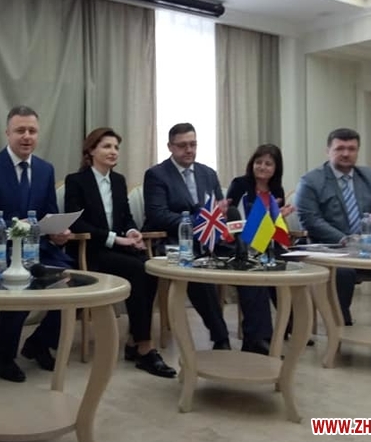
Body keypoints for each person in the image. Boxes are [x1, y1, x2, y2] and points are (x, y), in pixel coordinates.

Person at [0, 106, 73, 382]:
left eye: (32, 131)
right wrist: (14, 226)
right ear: (7, 133)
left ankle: (39, 343)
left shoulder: (45, 169)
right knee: (20, 281)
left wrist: (58, 232)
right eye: (20, 130)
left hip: (39, 249)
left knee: (70, 281)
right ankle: (4, 356)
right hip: (0, 249)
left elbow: (48, 213)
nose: (26, 136)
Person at [143, 122, 269, 353]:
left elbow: (221, 211)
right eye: (182, 145)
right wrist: (199, 220)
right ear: (170, 147)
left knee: (251, 264)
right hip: (177, 242)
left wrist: (223, 219)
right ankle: (221, 337)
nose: (189, 150)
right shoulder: (156, 175)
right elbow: (158, 215)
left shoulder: (208, 173)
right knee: (199, 273)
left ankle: (255, 338)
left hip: (213, 239)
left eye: (193, 144)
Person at [64, 128, 175, 377]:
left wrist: (133, 232)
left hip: (117, 249)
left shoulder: (118, 181)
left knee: (150, 268)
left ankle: (135, 340)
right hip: (89, 252)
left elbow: (126, 217)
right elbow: (77, 223)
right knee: (138, 269)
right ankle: (144, 347)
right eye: (106, 146)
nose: (113, 151)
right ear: (91, 151)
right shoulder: (76, 181)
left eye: (116, 147)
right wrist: (116, 239)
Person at [295, 127, 371, 331]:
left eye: (351, 149)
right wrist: (344, 239)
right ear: (328, 151)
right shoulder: (311, 181)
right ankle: (340, 323)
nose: (346, 153)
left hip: (370, 247)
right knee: (343, 272)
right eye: (340, 148)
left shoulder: (369, 175)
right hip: (333, 249)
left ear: (357, 151)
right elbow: (310, 219)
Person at [227, 143, 306, 344]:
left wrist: (277, 218)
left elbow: (274, 226)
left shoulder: (276, 189)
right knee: (258, 271)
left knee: (291, 268)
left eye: (268, 164)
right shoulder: (240, 184)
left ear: (276, 168)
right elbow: (231, 219)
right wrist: (268, 218)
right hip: (242, 244)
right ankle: (261, 336)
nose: (262, 167)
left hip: (268, 243)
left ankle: (290, 325)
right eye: (258, 162)